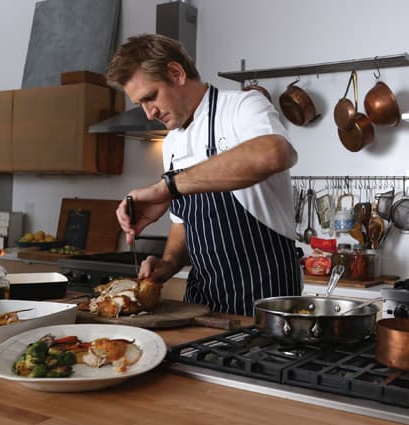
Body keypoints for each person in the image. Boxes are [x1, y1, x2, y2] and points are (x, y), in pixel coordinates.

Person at [107, 34, 302, 316]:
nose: (149, 114)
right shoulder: (172, 141)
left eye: (150, 97)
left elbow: (276, 153)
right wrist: (169, 263)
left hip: (265, 299)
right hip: (201, 303)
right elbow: (183, 223)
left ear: (176, 73)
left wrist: (168, 187)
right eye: (141, 104)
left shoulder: (242, 107)